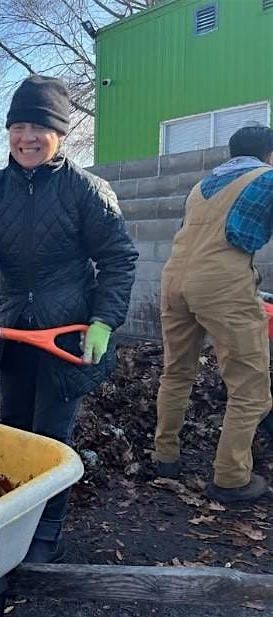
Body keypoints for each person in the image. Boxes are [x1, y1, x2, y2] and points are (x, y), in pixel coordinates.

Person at [0, 75, 138, 563]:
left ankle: (46, 532)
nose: (27, 137)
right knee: (12, 429)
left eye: (38, 127)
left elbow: (119, 258)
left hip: (67, 334)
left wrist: (105, 320)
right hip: (12, 329)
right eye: (18, 126)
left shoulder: (87, 190)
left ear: (59, 134)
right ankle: (9, 524)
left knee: (50, 437)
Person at [154, 126, 273, 503]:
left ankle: (165, 456)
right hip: (222, 284)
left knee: (177, 372)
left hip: (174, 280)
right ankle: (232, 478)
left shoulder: (203, 186)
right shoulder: (267, 178)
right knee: (250, 388)